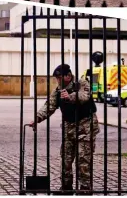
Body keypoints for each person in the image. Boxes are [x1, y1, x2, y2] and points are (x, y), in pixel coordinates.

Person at [29, 64, 100, 195]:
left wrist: (70, 97)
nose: (58, 81)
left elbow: (84, 96)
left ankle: (85, 188)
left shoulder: (82, 83)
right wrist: (37, 119)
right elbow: (49, 106)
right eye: (57, 78)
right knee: (65, 160)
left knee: (83, 160)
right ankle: (66, 188)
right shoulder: (58, 91)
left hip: (85, 128)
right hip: (69, 129)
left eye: (60, 78)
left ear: (69, 76)